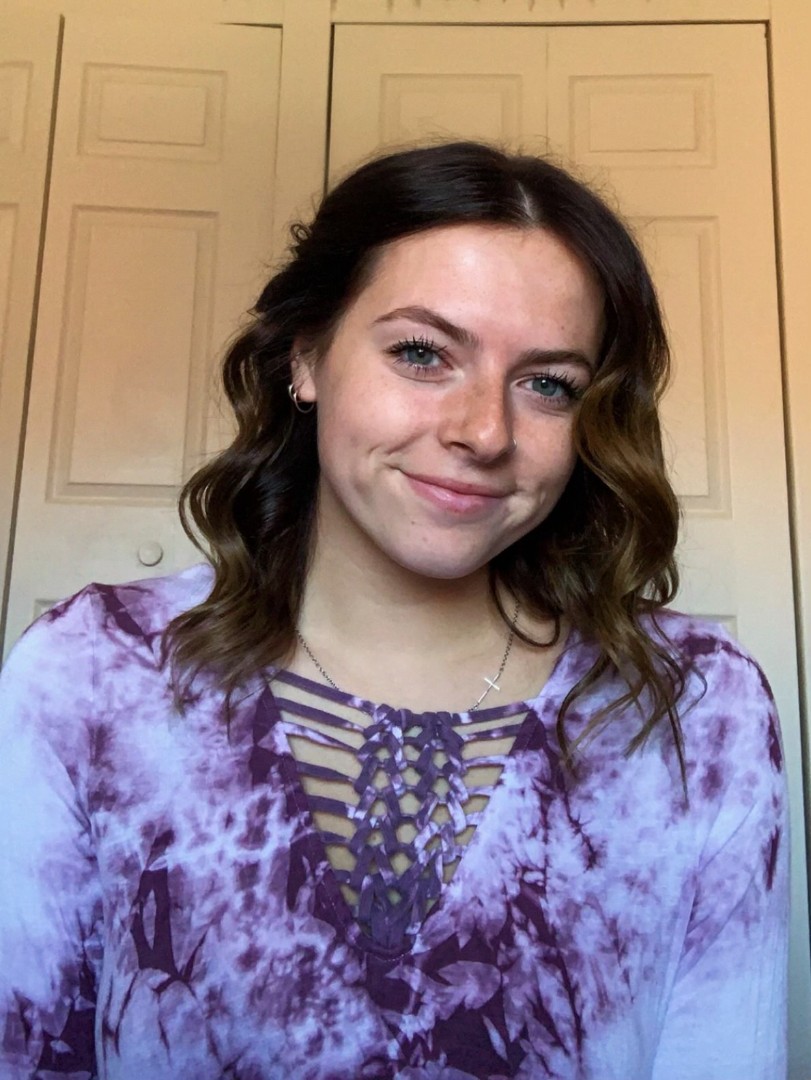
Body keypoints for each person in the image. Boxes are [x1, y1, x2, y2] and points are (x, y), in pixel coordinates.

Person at [0, 142, 787, 1080]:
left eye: (548, 384)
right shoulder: (95, 671)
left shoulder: (698, 710)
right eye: (422, 353)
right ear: (306, 358)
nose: (483, 431)